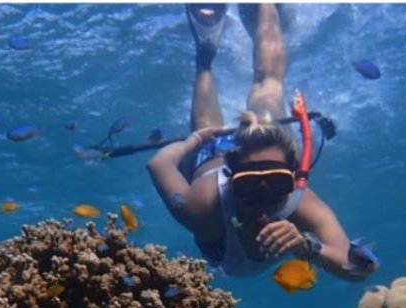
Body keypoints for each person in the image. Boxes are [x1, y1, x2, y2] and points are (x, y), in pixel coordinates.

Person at [146, 3, 378, 280]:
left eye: (278, 182)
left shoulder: (298, 203)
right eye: (247, 184)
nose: (262, 198)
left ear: (292, 177)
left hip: (231, 160)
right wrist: (194, 141)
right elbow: (158, 163)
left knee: (268, 92)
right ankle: (205, 55)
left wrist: (308, 247)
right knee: (212, 125)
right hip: (211, 158)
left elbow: (358, 270)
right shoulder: (205, 205)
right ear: (231, 177)